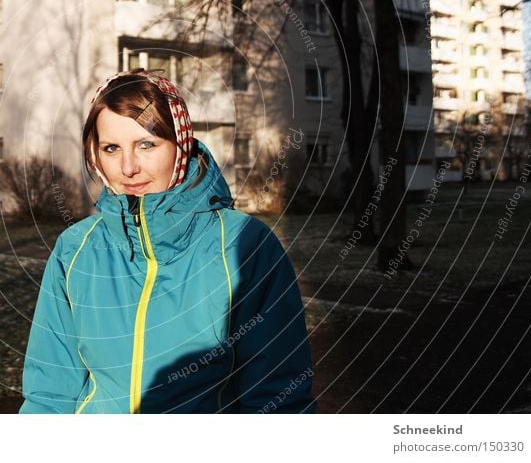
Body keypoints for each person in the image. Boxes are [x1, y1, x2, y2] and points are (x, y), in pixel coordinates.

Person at [19, 69, 314, 414]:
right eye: (111, 148)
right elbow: (49, 393)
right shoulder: (75, 249)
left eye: (146, 144)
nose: (128, 167)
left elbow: (278, 396)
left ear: (180, 145)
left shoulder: (243, 245)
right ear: (95, 154)